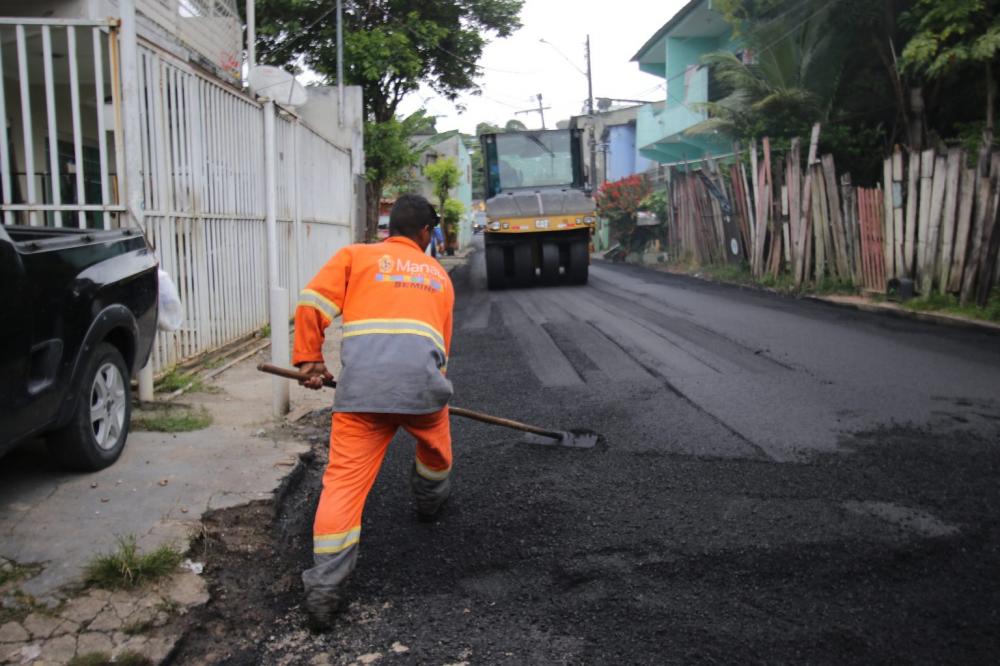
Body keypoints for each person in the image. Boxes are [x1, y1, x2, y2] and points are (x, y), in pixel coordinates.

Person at [292, 193, 455, 628]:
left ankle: (325, 589)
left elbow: (312, 303)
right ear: (425, 233)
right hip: (422, 391)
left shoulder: (355, 257)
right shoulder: (440, 276)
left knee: (343, 486)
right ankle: (429, 504)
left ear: (389, 228)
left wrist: (310, 360)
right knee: (436, 455)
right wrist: (426, 388)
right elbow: (442, 349)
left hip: (361, 393)